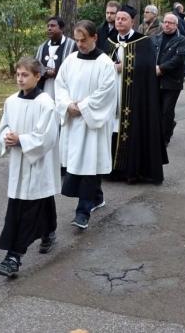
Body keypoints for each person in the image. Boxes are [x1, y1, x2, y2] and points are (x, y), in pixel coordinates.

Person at [0, 57, 61, 278]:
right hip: (18, 164)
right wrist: (7, 137)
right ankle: (49, 231)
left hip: (37, 162)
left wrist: (22, 140)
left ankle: (14, 257)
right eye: (18, 75)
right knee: (40, 200)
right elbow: (3, 126)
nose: (20, 79)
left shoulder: (45, 103)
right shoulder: (11, 101)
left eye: (25, 75)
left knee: (26, 210)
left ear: (37, 76)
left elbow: (47, 136)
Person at [55, 20, 117, 229]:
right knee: (78, 164)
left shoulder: (105, 64)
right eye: (77, 40)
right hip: (74, 121)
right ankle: (97, 197)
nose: (79, 44)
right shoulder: (71, 60)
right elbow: (60, 86)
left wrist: (81, 107)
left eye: (84, 40)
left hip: (93, 124)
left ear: (94, 37)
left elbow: (106, 93)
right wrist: (66, 105)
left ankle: (83, 212)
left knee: (90, 165)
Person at [104, 4, 168, 184]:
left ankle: (131, 171)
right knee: (113, 128)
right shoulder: (109, 41)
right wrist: (111, 67)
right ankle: (111, 170)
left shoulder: (143, 42)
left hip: (134, 96)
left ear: (132, 21)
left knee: (133, 130)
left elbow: (147, 68)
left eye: (123, 19)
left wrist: (125, 67)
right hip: (113, 94)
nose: (119, 21)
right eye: (117, 18)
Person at [152, 13, 185, 146]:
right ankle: (166, 127)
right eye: (165, 22)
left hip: (173, 81)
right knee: (157, 109)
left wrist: (161, 68)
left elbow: (179, 59)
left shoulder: (182, 40)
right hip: (155, 80)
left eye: (170, 23)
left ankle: (164, 138)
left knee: (167, 110)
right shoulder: (155, 38)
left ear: (176, 25)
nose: (167, 25)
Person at [36, 16, 77, 99]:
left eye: (53, 26)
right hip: (45, 86)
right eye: (48, 26)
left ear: (61, 29)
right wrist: (45, 72)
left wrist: (57, 72)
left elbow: (76, 67)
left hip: (64, 88)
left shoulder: (72, 45)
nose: (49, 28)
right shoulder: (42, 47)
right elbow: (35, 65)